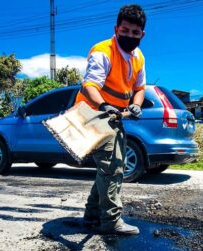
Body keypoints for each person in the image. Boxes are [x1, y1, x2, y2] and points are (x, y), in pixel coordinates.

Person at [74, 4, 147, 235]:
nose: (130, 36)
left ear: (142, 34)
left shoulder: (138, 57)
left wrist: (135, 105)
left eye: (135, 33)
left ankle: (92, 215)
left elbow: (140, 87)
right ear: (116, 28)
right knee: (112, 168)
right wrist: (104, 105)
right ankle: (110, 222)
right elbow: (90, 85)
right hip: (91, 113)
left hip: (114, 117)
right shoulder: (103, 51)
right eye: (125, 30)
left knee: (109, 168)